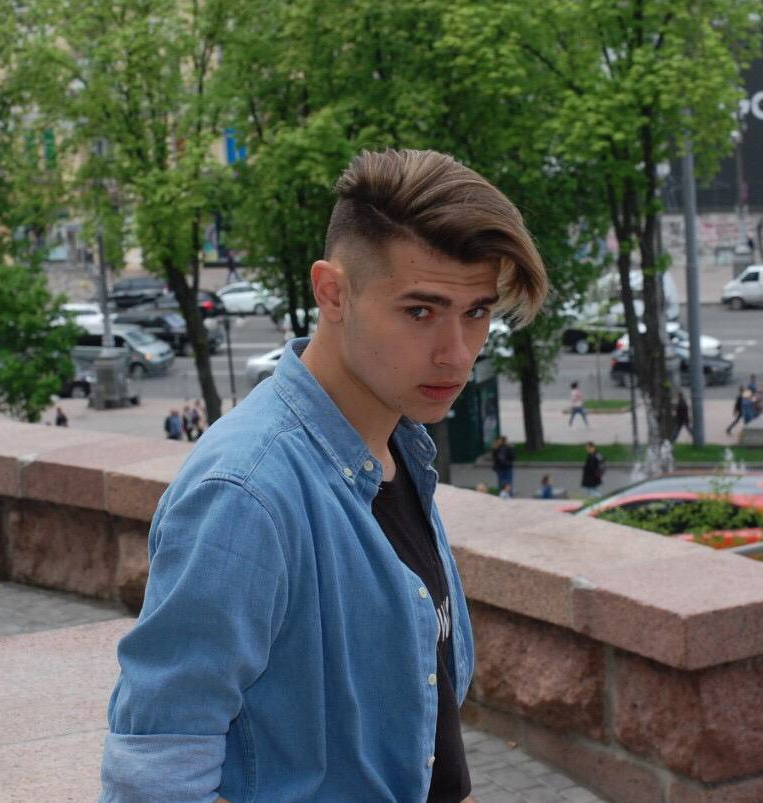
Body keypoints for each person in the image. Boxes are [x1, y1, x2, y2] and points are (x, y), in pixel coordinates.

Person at [99, 149, 548, 802]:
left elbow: (430, 738)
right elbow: (155, 776)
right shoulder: (246, 494)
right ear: (333, 293)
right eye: (420, 312)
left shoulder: (398, 447)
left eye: (476, 312)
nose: (457, 353)